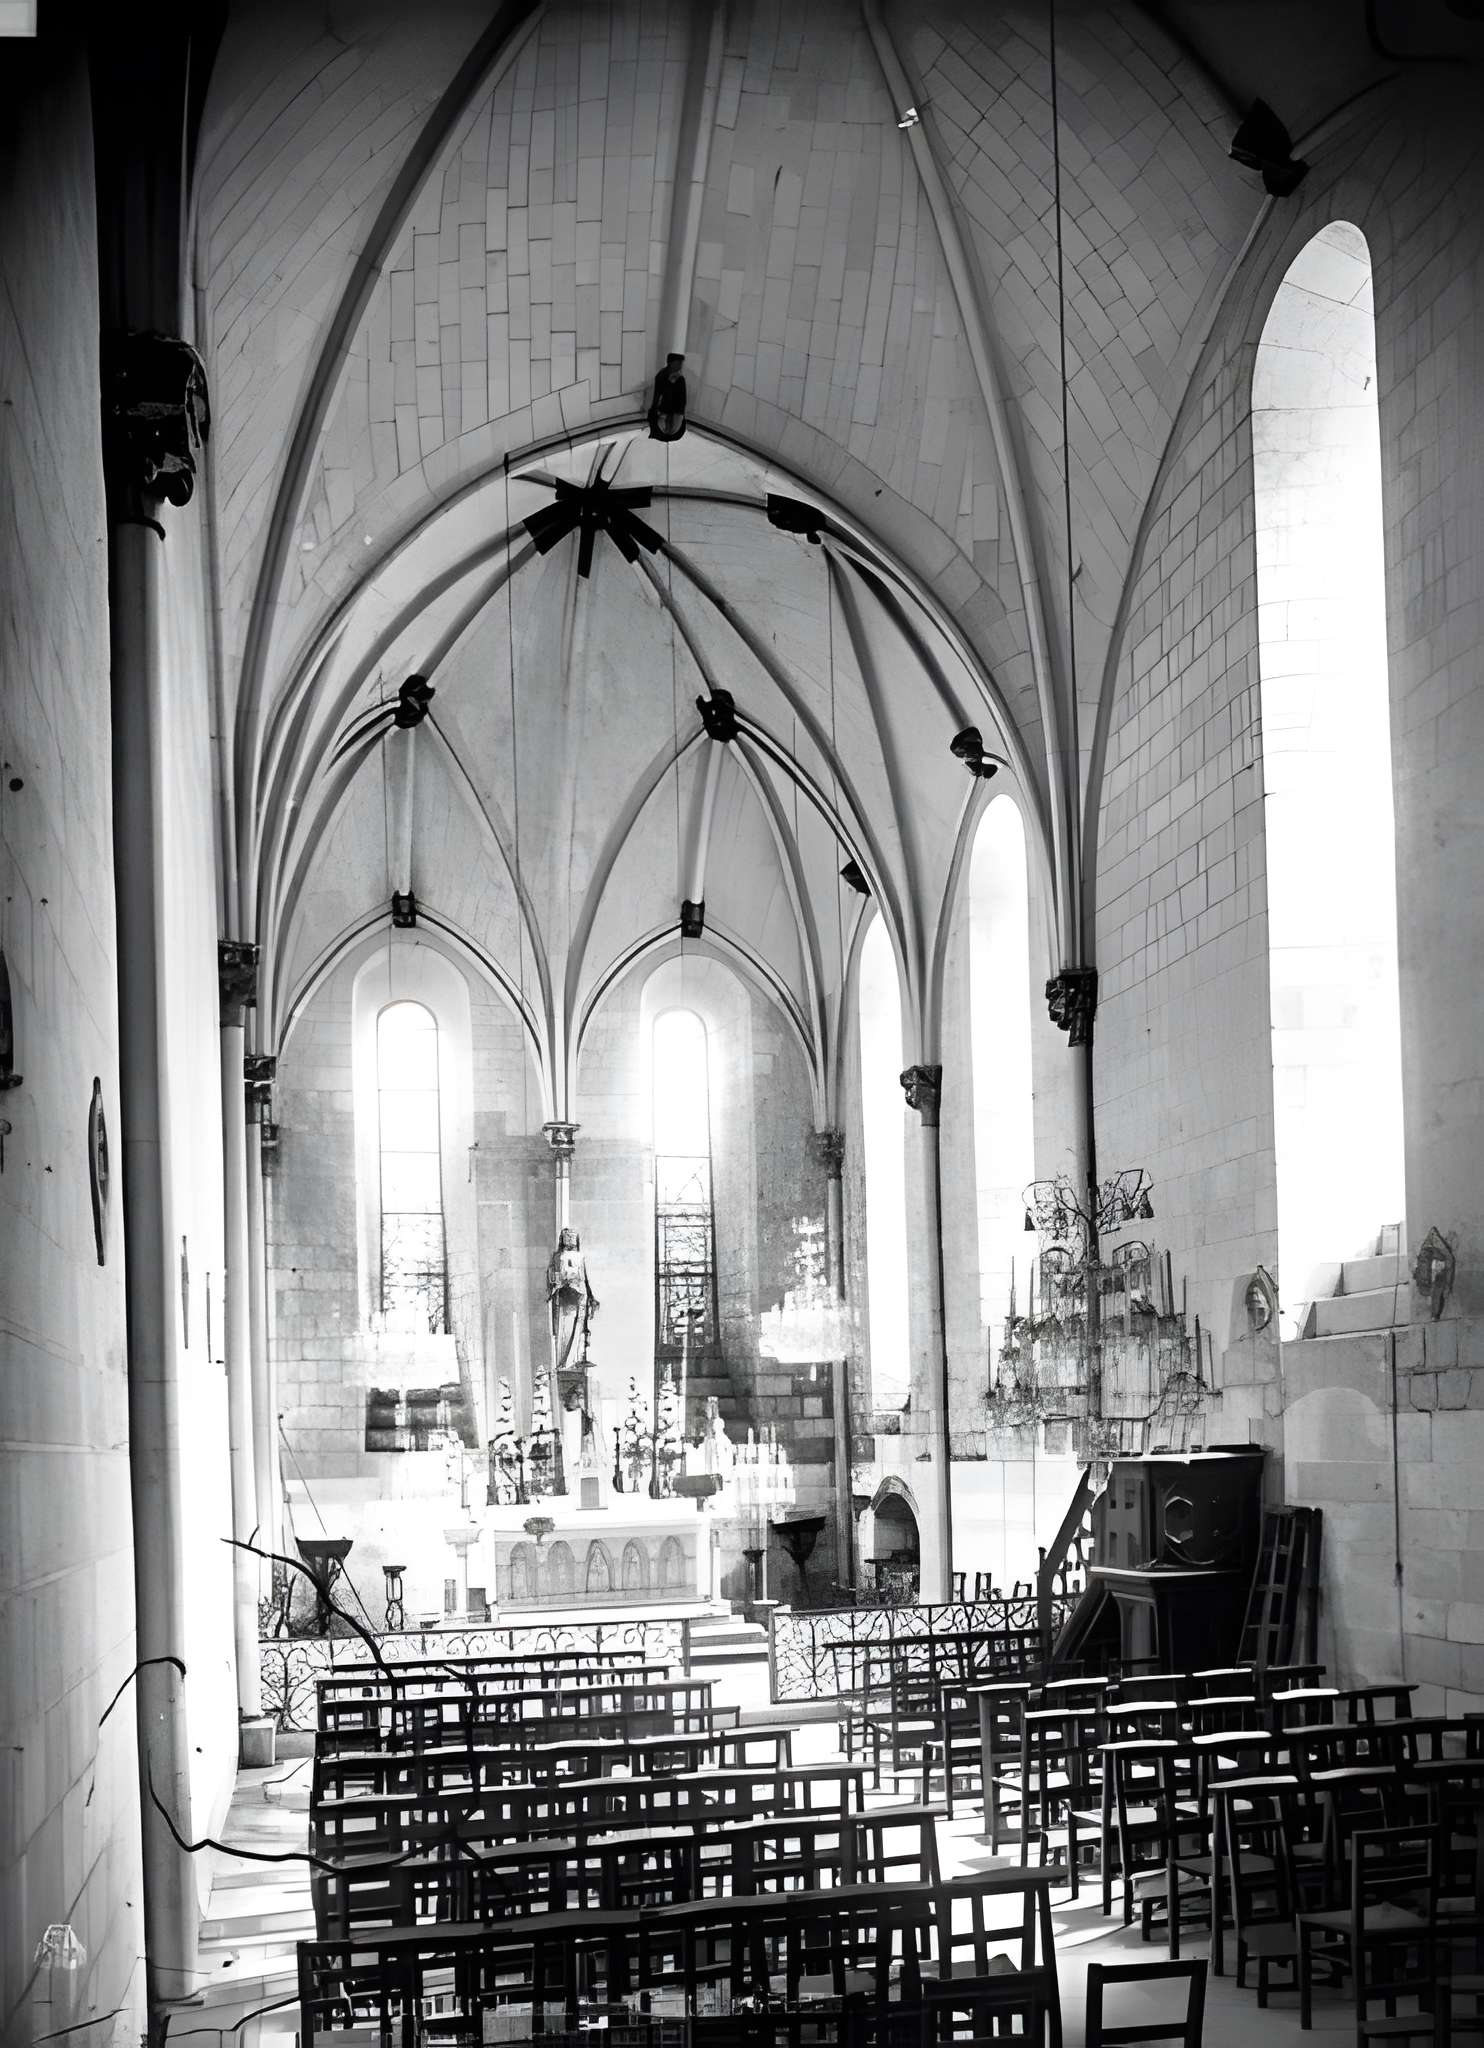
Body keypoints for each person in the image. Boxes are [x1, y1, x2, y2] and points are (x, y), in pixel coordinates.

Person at [547, 1225, 598, 1380]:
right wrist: (559, 1284)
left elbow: (585, 1277)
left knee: (579, 1330)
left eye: (572, 1237)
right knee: (564, 1330)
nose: (570, 1239)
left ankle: (575, 1360)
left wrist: (591, 1295)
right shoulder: (557, 1257)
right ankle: (563, 1362)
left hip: (579, 1297)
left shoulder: (580, 1256)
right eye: (567, 1237)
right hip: (564, 1299)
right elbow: (552, 1276)